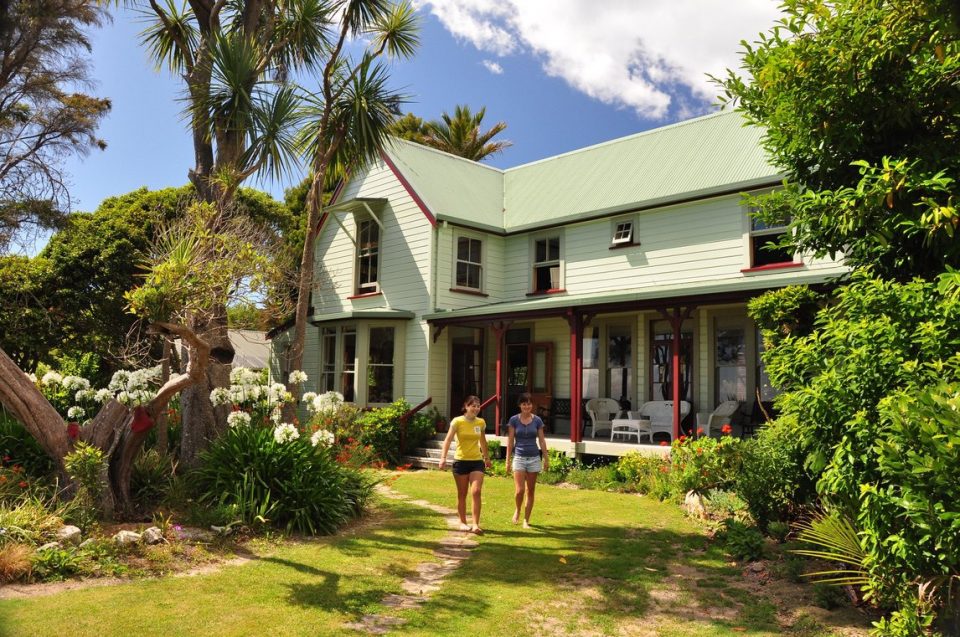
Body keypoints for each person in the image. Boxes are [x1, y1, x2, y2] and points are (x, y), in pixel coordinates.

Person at [438, 395, 492, 534]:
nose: (476, 408)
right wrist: (443, 458)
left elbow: (483, 442)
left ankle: (475, 525)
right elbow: (448, 440)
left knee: (476, 491)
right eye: (473, 405)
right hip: (460, 461)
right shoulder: (457, 421)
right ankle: (462, 522)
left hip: (476, 461)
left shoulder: (481, 423)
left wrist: (486, 458)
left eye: (478, 406)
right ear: (466, 406)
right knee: (462, 494)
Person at [505, 393, 549, 529]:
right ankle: (518, 509)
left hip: (534, 458)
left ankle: (526, 520)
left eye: (529, 404)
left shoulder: (537, 421)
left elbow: (541, 440)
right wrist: (507, 460)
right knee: (519, 491)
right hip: (519, 457)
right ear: (520, 405)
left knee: (530, 490)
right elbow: (510, 440)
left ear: (532, 405)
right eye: (524, 404)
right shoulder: (513, 420)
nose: (527, 406)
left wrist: (546, 458)